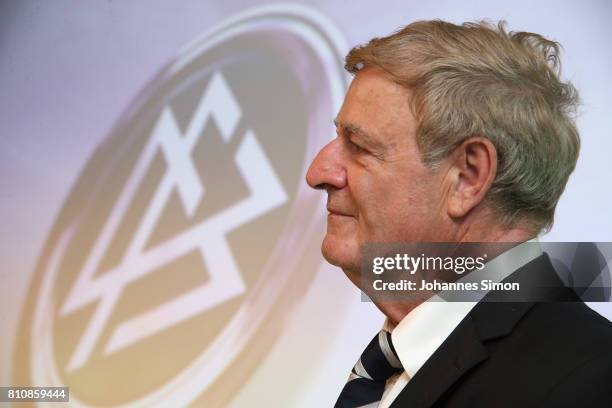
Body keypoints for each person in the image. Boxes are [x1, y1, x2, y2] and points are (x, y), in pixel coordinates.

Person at [305, 20, 612, 407]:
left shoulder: (588, 383)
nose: (318, 173)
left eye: (359, 146)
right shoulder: (392, 367)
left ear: (468, 178)